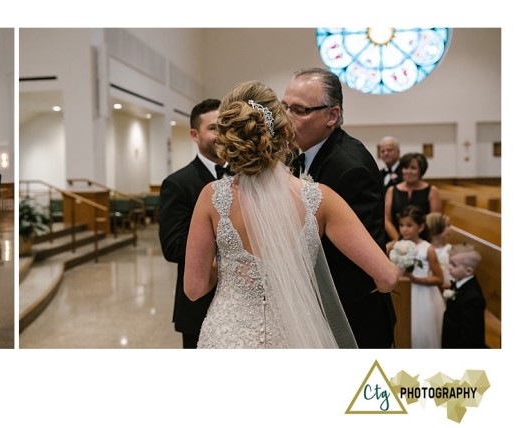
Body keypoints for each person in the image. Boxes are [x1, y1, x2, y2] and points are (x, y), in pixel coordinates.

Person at [183, 80, 398, 349]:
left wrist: (228, 270)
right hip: (294, 336)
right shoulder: (319, 198)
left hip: (228, 336)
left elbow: (194, 289)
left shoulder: (212, 197)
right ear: (284, 132)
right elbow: (388, 277)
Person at [283, 67, 394, 348]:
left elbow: (359, 264)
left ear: (332, 115)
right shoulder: (301, 154)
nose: (286, 117)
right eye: (284, 107)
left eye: (299, 110)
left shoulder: (349, 167)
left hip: (351, 319)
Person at [158, 98, 224, 349]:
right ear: (194, 134)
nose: (222, 135)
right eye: (214, 128)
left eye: (225, 126)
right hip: (199, 304)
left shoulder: (246, 177)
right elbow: (173, 247)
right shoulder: (178, 184)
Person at [387, 206, 444, 349]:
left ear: (421, 227)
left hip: (422, 295)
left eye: (409, 225)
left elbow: (439, 278)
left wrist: (416, 279)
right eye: (401, 225)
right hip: (400, 293)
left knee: (421, 332)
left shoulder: (428, 249)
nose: (404, 229)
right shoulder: (395, 245)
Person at [385, 152, 441, 242]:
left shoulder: (432, 191)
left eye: (413, 168)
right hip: (397, 239)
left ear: (421, 171)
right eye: (405, 168)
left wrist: (419, 241)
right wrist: (398, 239)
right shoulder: (392, 190)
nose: (408, 172)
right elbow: (386, 219)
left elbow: (434, 221)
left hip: (423, 240)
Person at [441, 244, 487, 348]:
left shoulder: (473, 298)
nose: (449, 267)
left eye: (454, 265)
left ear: (468, 271)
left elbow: (470, 335)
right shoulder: (459, 284)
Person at [426, 212, 453, 285]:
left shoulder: (450, 250)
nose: (450, 228)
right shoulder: (426, 249)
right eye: (447, 225)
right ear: (436, 228)